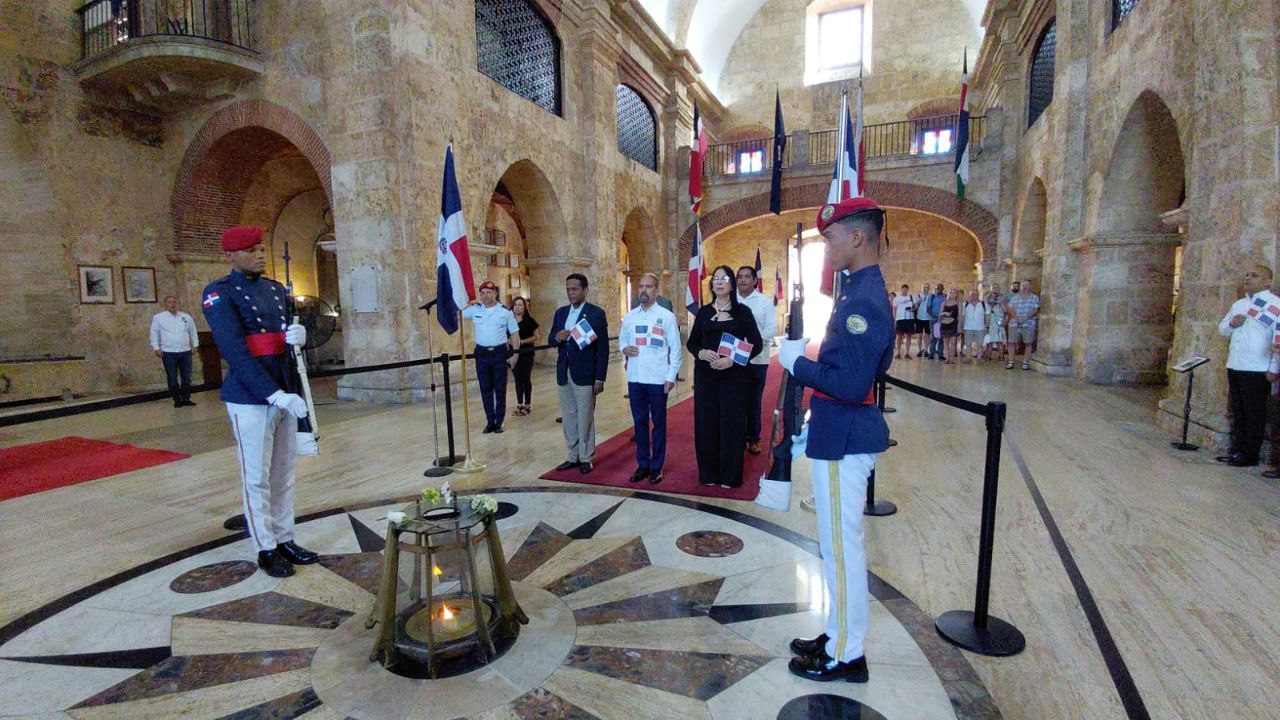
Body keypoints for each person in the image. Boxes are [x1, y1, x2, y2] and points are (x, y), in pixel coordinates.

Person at [777, 196, 892, 683]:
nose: (828, 250)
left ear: (858, 237)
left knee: (842, 551)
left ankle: (848, 655)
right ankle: (838, 630)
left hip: (846, 437)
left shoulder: (864, 299)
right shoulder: (856, 292)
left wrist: (796, 364)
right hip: (835, 433)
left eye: (832, 240)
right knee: (834, 549)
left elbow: (850, 383)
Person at [202, 226, 318, 578]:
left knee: (283, 473)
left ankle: (285, 538)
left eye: (260, 248)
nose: (259, 254)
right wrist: (273, 393)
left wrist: (298, 338)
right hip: (250, 395)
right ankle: (265, 547)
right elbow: (235, 351)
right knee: (256, 477)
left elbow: (281, 345)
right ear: (230, 256)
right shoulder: (219, 294)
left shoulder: (275, 290)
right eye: (250, 250)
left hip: (283, 389)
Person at [687, 266, 763, 488]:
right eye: (716, 279)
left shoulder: (743, 312)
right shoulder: (703, 312)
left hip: (734, 377)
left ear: (731, 284)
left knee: (732, 424)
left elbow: (756, 345)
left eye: (724, 278)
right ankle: (709, 473)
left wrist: (733, 359)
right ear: (711, 285)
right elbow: (692, 343)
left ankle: (730, 476)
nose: (719, 282)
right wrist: (700, 352)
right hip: (706, 377)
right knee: (706, 423)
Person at [620, 273, 682, 485]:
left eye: (648, 287)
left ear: (656, 290)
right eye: (641, 287)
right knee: (639, 423)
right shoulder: (630, 317)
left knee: (658, 423)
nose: (643, 291)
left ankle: (656, 467)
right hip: (635, 378)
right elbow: (622, 341)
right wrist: (624, 348)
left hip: (657, 379)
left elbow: (675, 349)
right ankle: (643, 465)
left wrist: (671, 376)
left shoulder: (666, 316)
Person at [1216, 265, 1278, 467]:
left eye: (1254, 275)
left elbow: (1278, 338)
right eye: (1247, 275)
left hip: (1258, 367)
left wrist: (1274, 368)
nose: (1248, 278)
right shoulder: (1240, 304)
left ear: (1267, 281)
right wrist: (1232, 324)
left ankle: (1249, 454)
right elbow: (1222, 329)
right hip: (1235, 363)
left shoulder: (1275, 304)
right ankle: (1237, 450)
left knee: (1254, 413)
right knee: (1238, 410)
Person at [548, 273, 609, 474]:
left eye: (574, 289)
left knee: (585, 416)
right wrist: (557, 337)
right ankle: (572, 455)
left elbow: (603, 349)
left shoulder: (595, 314)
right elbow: (551, 338)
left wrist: (600, 378)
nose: (571, 293)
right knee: (569, 415)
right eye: (568, 289)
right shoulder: (561, 313)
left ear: (585, 290)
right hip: (564, 371)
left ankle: (586, 456)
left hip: (585, 373)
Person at [463, 281, 519, 433]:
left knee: (500, 389)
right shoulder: (475, 310)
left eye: (489, 292)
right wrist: (468, 303)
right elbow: (458, 313)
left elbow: (514, 334)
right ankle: (490, 420)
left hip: (499, 353)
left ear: (495, 293)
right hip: (482, 353)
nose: (485, 295)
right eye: (483, 293)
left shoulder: (505, 311)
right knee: (485, 388)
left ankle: (499, 421)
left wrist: (515, 354)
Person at [736, 265, 778, 456]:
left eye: (747, 277)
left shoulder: (764, 302)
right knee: (735, 399)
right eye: (739, 277)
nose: (743, 280)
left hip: (757, 359)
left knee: (753, 400)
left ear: (755, 281)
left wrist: (749, 341)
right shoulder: (730, 300)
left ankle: (753, 438)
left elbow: (771, 329)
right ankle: (736, 437)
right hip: (733, 358)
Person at [150, 294, 200, 407]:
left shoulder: (186, 317)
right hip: (168, 352)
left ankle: (186, 398)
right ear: (165, 304)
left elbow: (192, 331)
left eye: (174, 302)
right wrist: (156, 347)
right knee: (172, 377)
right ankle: (176, 399)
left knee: (186, 377)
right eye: (169, 302)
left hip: (185, 351)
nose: (172, 304)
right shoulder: (158, 317)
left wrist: (195, 345)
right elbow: (154, 333)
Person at [508, 296, 539, 417]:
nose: (517, 307)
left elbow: (536, 336)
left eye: (520, 305)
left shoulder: (530, 321)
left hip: (527, 353)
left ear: (524, 307)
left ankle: (528, 404)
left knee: (526, 378)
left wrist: (522, 342)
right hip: (513, 353)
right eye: (515, 305)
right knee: (517, 379)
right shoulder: (509, 321)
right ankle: (519, 403)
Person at [1003, 280, 1040, 370]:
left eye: (1026, 285)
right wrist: (1016, 317)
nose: (1024, 287)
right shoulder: (1015, 298)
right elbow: (1010, 308)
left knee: (1028, 343)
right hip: (1015, 323)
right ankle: (1011, 361)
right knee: (1011, 342)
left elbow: (1035, 309)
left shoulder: (1034, 298)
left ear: (1029, 287)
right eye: (1023, 285)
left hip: (1028, 323)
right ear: (1021, 287)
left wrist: (1026, 317)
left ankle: (1025, 362)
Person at [962, 289, 988, 365]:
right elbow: (962, 316)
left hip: (980, 327)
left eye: (975, 294)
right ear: (969, 296)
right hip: (968, 327)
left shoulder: (983, 304)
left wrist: (987, 326)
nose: (973, 296)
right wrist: (962, 326)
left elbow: (987, 316)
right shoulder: (965, 304)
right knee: (968, 344)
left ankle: (979, 358)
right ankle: (968, 357)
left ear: (978, 295)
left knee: (980, 344)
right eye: (972, 294)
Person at [892, 284, 916, 360]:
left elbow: (916, 307)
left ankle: (907, 353)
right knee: (899, 336)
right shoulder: (897, 298)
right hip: (900, 319)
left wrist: (912, 310)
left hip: (909, 319)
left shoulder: (911, 297)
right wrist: (895, 318)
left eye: (906, 289)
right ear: (901, 289)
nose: (904, 290)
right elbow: (894, 308)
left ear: (907, 290)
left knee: (909, 336)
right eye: (903, 289)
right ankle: (898, 353)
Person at [940, 289, 960, 364]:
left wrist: (959, 325)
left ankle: (952, 359)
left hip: (953, 324)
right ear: (948, 293)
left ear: (956, 294)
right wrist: (945, 313)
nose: (952, 294)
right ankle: (947, 358)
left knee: (953, 342)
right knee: (945, 342)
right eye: (951, 292)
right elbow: (940, 314)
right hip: (945, 324)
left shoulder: (958, 303)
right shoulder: (944, 303)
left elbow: (960, 315)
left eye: (954, 293)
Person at [913, 281, 933, 357]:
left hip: (928, 318)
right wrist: (919, 301)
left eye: (927, 287)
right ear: (922, 288)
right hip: (919, 317)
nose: (925, 288)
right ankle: (919, 350)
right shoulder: (918, 296)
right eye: (924, 287)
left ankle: (926, 350)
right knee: (919, 335)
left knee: (927, 335)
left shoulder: (931, 296)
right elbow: (915, 306)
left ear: (929, 288)